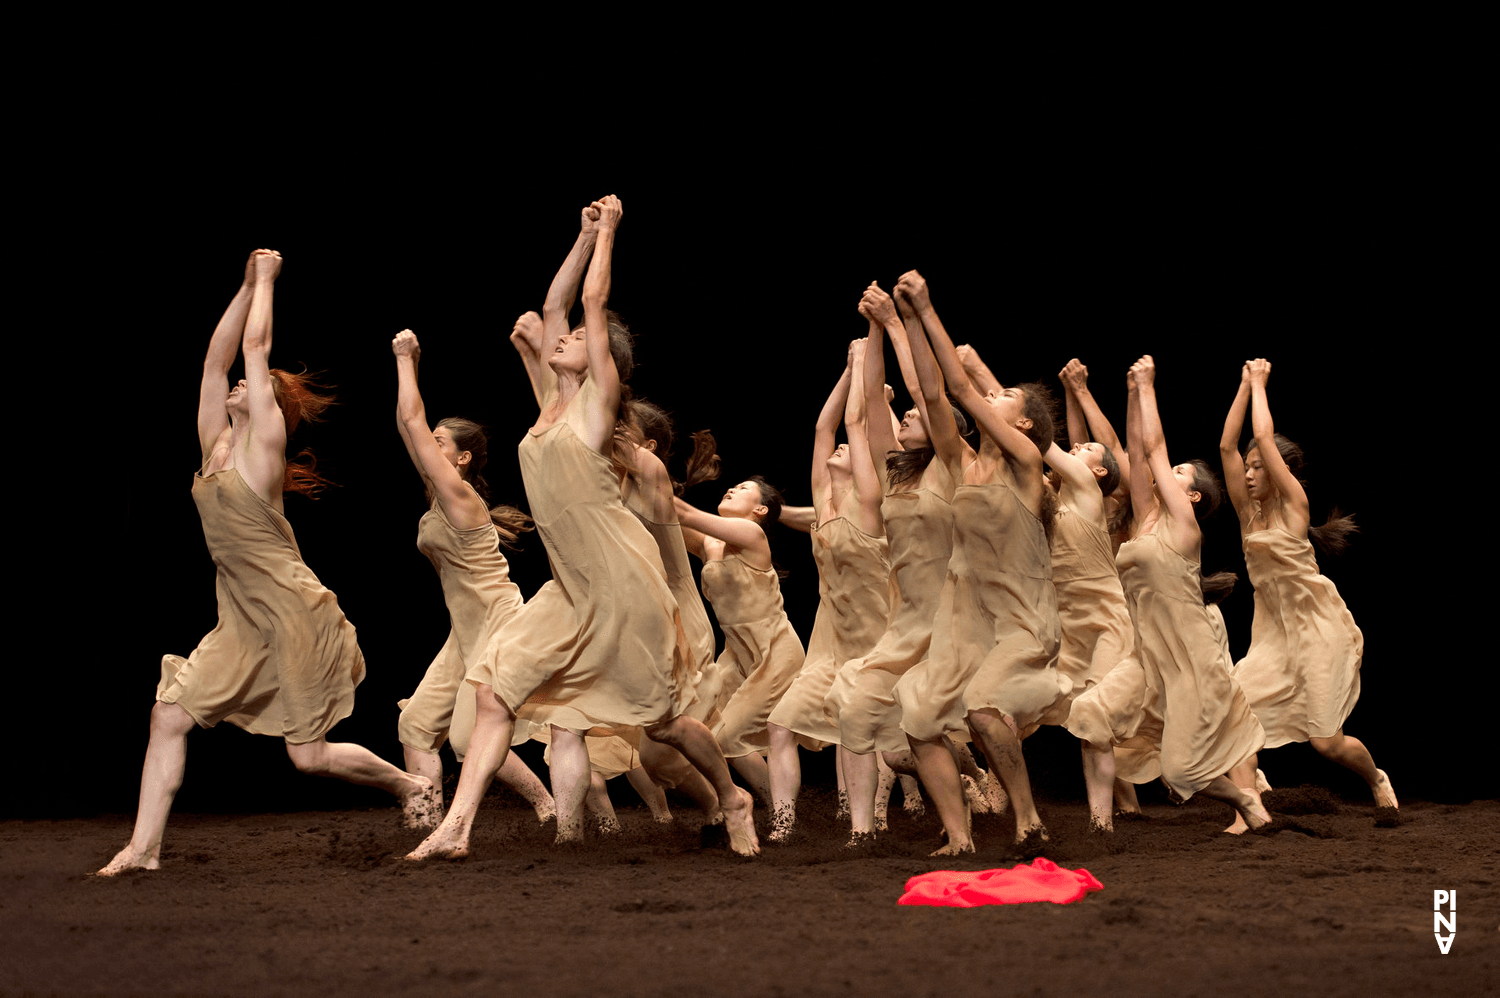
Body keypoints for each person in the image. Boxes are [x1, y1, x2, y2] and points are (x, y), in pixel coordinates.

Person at [407, 197, 757, 860]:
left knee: (663, 726)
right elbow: (554, 303)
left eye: (571, 340)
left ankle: (732, 798)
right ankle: (455, 828)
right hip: (570, 591)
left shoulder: (596, 410)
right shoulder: (549, 406)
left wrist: (610, 234)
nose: (559, 339)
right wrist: (581, 233)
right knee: (494, 691)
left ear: (598, 362)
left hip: (623, 587)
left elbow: (591, 302)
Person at [99, 251, 433, 875]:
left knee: (308, 758)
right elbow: (215, 360)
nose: (236, 386)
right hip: (242, 621)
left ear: (267, 405)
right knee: (167, 716)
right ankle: (142, 851)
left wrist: (269, 284)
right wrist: (245, 283)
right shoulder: (215, 444)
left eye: (251, 387)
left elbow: (254, 347)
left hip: (293, 613)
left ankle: (411, 786)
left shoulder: (263, 448)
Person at [888, 270, 1062, 854]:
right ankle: (960, 837)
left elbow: (960, 388)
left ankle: (1028, 819)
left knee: (984, 712)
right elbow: (932, 394)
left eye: (1004, 396)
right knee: (919, 719)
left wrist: (926, 309)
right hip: (966, 621)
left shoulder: (1026, 462)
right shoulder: (963, 463)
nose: (991, 396)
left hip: (1021, 620)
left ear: (1024, 424)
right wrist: (907, 323)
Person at [1218, 358, 1393, 832]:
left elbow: (1262, 435)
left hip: (1317, 628)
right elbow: (1227, 446)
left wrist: (1260, 384)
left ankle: (1376, 778)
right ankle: (1247, 809)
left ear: (1280, 471)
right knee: (1235, 713)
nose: (1249, 474)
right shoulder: (1247, 513)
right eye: (1248, 468)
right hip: (1273, 634)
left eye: (1259, 467)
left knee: (1327, 743)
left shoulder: (1294, 504)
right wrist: (1242, 386)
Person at [390, 330, 555, 825]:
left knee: (467, 737)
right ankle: (424, 823)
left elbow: (413, 422)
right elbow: (408, 427)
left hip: (497, 623)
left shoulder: (460, 497)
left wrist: (405, 360)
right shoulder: (439, 494)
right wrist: (409, 370)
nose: (428, 444)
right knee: (416, 726)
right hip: (464, 631)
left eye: (439, 442)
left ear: (462, 458)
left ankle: (546, 805)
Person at [826, 282, 960, 844]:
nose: (905, 414)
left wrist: (900, 324)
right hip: (908, 620)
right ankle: (862, 831)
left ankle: (1002, 806)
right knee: (857, 707)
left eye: (915, 415)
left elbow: (929, 392)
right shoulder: (897, 474)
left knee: (957, 721)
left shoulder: (952, 466)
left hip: (957, 616)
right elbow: (868, 411)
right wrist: (874, 331)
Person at [1118, 354, 1270, 830]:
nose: (1168, 473)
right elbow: (1137, 454)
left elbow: (1154, 448)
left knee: (1181, 771)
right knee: (1112, 734)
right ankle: (1247, 796)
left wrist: (1149, 387)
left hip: (1190, 658)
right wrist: (1131, 395)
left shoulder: (1184, 526)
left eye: (1179, 472)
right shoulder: (1146, 520)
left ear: (1193, 496)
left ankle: (1245, 799)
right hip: (1153, 657)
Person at [763, 339, 897, 840]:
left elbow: (854, 424)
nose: (839, 448)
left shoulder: (870, 503)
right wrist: (846, 369)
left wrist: (863, 365)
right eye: (836, 452)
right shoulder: (823, 502)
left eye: (848, 451)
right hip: (831, 642)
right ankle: (782, 825)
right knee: (780, 724)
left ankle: (880, 815)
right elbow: (825, 427)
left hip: (879, 639)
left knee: (895, 743)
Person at [675, 476, 806, 824]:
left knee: (728, 736)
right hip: (736, 654)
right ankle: (778, 808)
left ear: (760, 510)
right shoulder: (711, 543)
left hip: (773, 651)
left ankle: (783, 818)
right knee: (714, 736)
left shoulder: (752, 534)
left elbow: (682, 513)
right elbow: (666, 521)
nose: (732, 489)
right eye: (733, 486)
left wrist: (648, 476)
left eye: (744, 489)